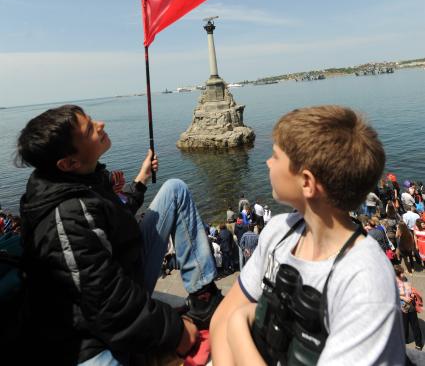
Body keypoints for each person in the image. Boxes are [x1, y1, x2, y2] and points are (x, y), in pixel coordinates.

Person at [16, 105, 222, 366]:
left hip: (122, 276)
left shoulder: (83, 179)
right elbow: (108, 304)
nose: (100, 124)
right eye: (90, 129)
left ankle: (203, 298)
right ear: (68, 162)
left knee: (175, 190)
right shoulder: (65, 218)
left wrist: (140, 181)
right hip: (86, 337)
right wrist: (176, 332)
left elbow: (114, 214)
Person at [210, 105, 405, 366]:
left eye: (275, 156)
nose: (267, 162)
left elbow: (229, 321)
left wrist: (237, 326)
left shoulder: (365, 283)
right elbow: (219, 320)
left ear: (306, 182)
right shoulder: (280, 231)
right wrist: (232, 322)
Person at [395, 265, 424, 351]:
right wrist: (403, 298)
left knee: (415, 325)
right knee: (404, 325)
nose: (403, 274)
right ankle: (405, 339)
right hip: (402, 307)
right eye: (401, 273)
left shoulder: (405, 279)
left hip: (410, 306)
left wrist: (411, 294)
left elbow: (409, 289)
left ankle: (419, 344)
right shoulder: (393, 282)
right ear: (397, 275)